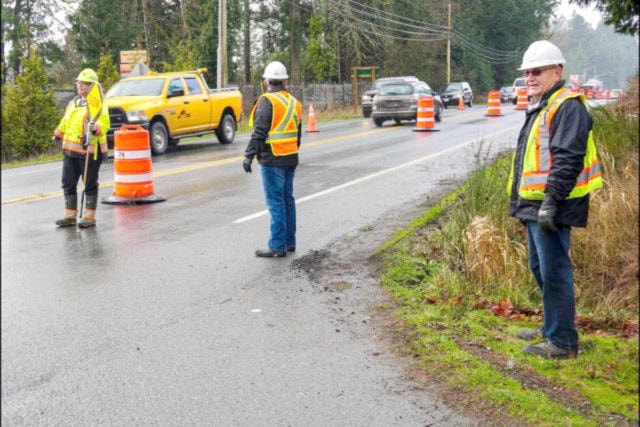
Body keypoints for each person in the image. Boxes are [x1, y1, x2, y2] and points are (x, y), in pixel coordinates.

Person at [508, 40, 602, 358]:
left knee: (555, 271)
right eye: (527, 73)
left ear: (556, 71)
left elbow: (567, 158)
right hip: (535, 205)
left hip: (554, 205)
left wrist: (551, 202)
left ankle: (562, 341)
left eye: (537, 71)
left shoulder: (567, 105)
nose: (530, 77)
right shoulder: (544, 104)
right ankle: (552, 327)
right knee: (541, 268)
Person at [243, 61, 303, 257]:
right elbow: (298, 134)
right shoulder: (295, 103)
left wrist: (248, 155)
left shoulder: (267, 101)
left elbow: (259, 131)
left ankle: (277, 246)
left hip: (273, 159)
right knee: (288, 200)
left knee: (275, 202)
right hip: (290, 157)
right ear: (285, 82)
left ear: (268, 82)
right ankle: (289, 242)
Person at [53, 68, 110, 228]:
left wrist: (96, 128)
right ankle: (70, 216)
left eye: (85, 83)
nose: (81, 86)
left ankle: (89, 217)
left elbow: (104, 123)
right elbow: (66, 121)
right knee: (68, 182)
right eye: (79, 83)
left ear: (93, 86)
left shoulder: (98, 104)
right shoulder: (74, 103)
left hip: (90, 152)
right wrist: (58, 133)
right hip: (71, 151)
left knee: (89, 183)